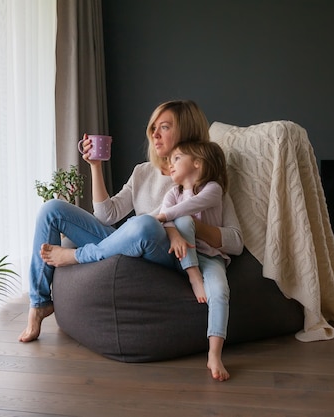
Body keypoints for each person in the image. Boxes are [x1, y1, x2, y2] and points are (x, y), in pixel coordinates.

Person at [19, 100, 243, 381]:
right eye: (153, 128)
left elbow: (235, 241)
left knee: (145, 226)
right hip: (127, 240)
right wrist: (96, 167)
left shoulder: (200, 179)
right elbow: (106, 215)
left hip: (161, 251)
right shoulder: (143, 171)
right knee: (52, 210)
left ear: (186, 132)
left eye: (165, 127)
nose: (155, 134)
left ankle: (80, 255)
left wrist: (190, 226)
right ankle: (39, 304)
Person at [155, 140, 232, 380]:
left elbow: (181, 210)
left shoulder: (213, 189)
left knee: (220, 292)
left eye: (177, 158)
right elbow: (165, 220)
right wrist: (171, 228)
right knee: (183, 222)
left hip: (210, 257)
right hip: (184, 258)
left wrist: (165, 217)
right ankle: (194, 277)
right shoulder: (172, 193)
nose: (171, 163)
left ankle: (215, 353)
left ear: (197, 163)